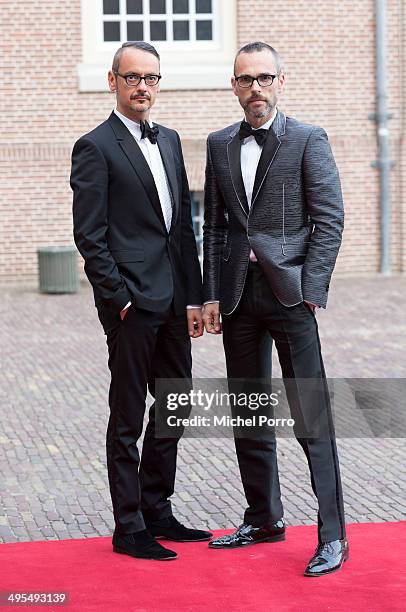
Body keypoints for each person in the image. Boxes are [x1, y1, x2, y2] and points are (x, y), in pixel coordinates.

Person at [202, 41, 348, 577]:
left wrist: (312, 288)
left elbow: (329, 219)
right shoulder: (219, 145)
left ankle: (332, 535)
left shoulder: (308, 139)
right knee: (248, 411)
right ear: (234, 86)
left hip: (291, 298)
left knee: (312, 415)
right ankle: (263, 517)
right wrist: (213, 292)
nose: (255, 87)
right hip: (239, 298)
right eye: (246, 79)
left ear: (281, 82)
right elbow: (215, 227)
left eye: (265, 77)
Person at [71, 41, 211, 561]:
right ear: (113, 82)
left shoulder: (170, 140)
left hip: (174, 301)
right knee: (128, 415)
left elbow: (182, 233)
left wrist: (194, 297)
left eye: (150, 78)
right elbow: (91, 236)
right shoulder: (95, 146)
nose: (142, 87)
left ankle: (158, 509)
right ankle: (128, 526)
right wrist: (119, 300)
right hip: (131, 306)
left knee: (175, 405)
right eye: (132, 77)